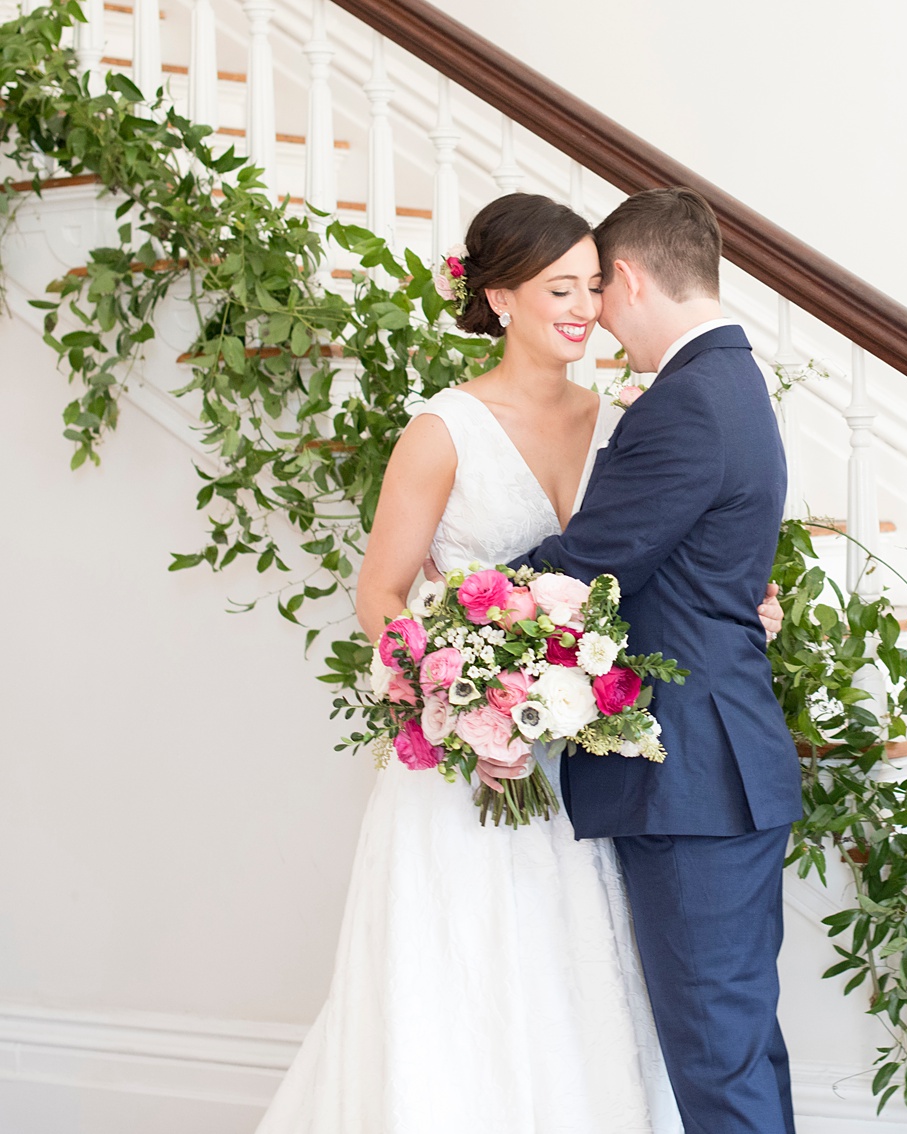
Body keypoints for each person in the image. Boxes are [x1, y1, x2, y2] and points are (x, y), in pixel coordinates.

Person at [256, 191, 781, 1133]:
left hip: (588, 763)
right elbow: (382, 594)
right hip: (468, 774)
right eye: (559, 289)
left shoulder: (630, 417)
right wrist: (455, 696)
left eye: (592, 287)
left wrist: (731, 591)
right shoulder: (441, 430)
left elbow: (631, 566)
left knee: (577, 1006)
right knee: (462, 1006)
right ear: (499, 298)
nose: (584, 310)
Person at [507, 187, 801, 1134]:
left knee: (718, 1056)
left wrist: (459, 597)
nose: (595, 313)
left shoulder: (686, 402)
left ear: (628, 278)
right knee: (735, 1046)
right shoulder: (732, 381)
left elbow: (591, 566)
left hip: (694, 777)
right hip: (719, 768)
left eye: (598, 287)